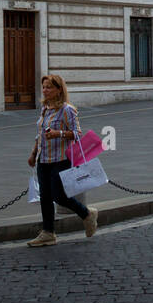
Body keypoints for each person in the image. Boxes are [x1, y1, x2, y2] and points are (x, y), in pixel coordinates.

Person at [27, 73, 98, 247]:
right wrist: (33, 153)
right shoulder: (44, 108)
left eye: (49, 87)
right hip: (44, 159)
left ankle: (87, 214)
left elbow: (76, 133)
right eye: (44, 87)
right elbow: (41, 134)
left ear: (59, 90)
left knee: (59, 195)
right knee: (45, 197)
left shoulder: (67, 110)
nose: (45, 90)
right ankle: (48, 233)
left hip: (61, 159)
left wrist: (57, 134)